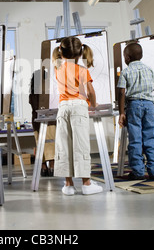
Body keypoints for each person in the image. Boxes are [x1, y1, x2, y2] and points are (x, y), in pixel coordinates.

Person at [52, 36, 103, 195]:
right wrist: (94, 105)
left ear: (61, 51)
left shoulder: (57, 67)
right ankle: (86, 184)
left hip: (63, 108)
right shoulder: (82, 70)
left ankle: (68, 184)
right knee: (81, 145)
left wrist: (59, 50)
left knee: (64, 145)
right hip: (79, 107)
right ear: (81, 53)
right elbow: (91, 92)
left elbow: (56, 55)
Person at [117, 42, 154, 180]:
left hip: (134, 105)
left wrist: (122, 113)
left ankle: (138, 172)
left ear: (128, 58)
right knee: (151, 138)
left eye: (124, 56)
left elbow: (122, 93)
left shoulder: (125, 72)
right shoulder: (149, 69)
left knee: (136, 139)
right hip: (149, 106)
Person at [29, 70, 55, 177]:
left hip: (37, 122)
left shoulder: (33, 94)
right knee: (51, 143)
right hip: (49, 120)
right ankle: (52, 165)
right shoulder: (48, 93)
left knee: (40, 144)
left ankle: (43, 167)